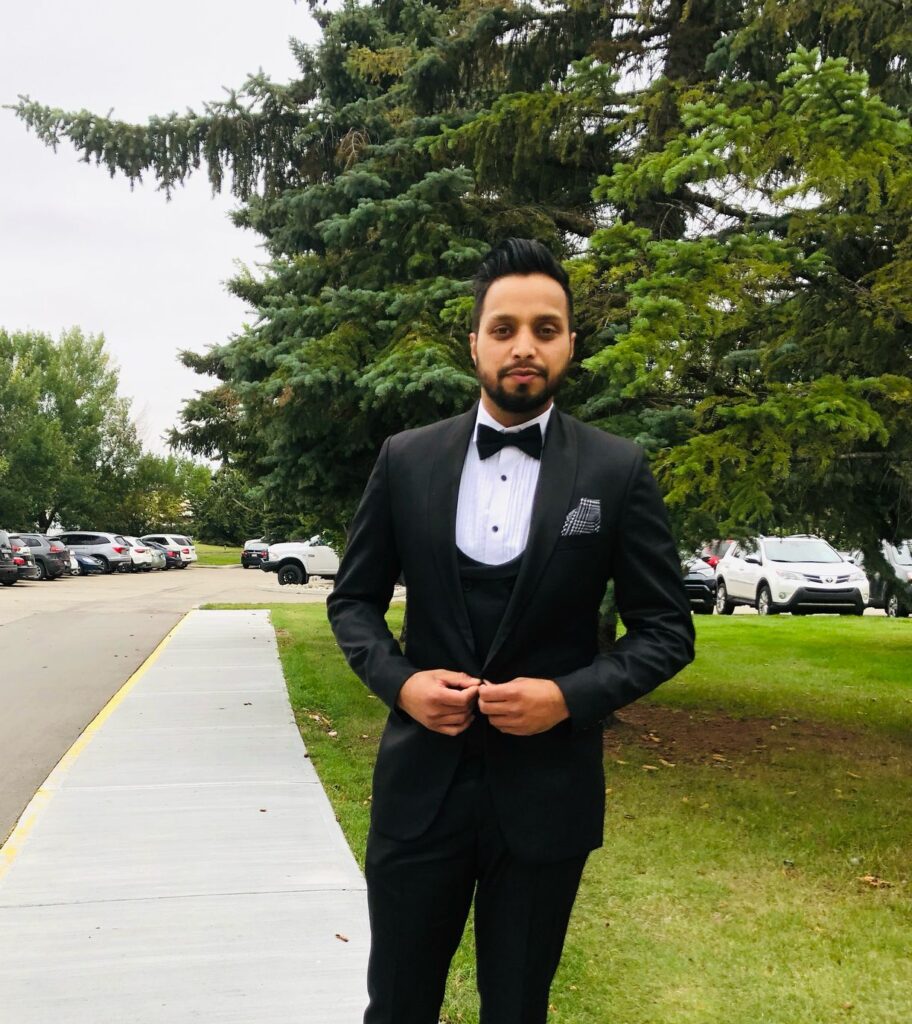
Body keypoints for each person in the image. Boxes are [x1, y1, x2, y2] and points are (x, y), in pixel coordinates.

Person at [326, 238, 695, 1024]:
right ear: (475, 344)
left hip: (546, 799)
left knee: (519, 1008)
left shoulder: (615, 470)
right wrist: (402, 683)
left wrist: (567, 697)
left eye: (544, 328)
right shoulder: (407, 460)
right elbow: (352, 602)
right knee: (396, 1004)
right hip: (420, 793)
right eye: (504, 328)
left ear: (569, 344)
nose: (524, 345)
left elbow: (666, 630)